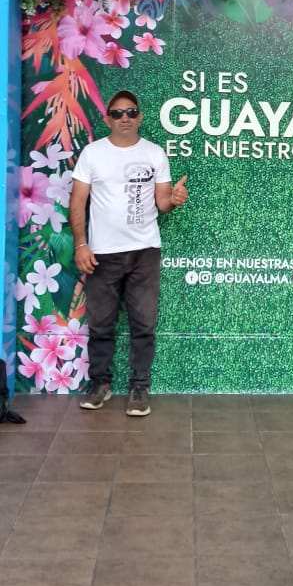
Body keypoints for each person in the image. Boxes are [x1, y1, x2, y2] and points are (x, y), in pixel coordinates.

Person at [69, 89, 188, 416]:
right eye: (118, 113)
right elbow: (77, 202)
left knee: (143, 324)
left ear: (140, 117)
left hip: (144, 252)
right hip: (102, 254)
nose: (125, 118)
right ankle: (100, 384)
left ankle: (139, 387)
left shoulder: (155, 153)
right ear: (107, 118)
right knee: (101, 324)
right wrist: (81, 244)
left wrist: (174, 199)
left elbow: (162, 203)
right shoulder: (93, 154)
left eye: (131, 112)